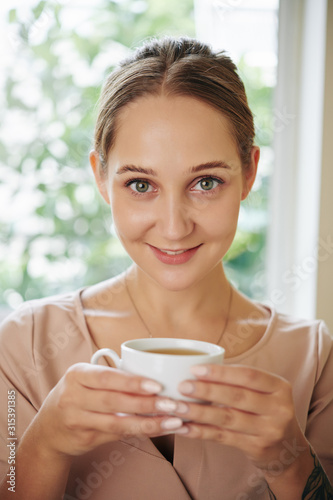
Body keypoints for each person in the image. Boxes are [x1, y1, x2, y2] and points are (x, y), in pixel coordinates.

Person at [0, 36, 332, 500]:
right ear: (100, 177)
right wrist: (45, 446)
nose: (174, 228)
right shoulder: (23, 345)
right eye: (140, 184)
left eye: (205, 182)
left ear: (249, 173)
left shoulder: (315, 360)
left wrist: (292, 460)